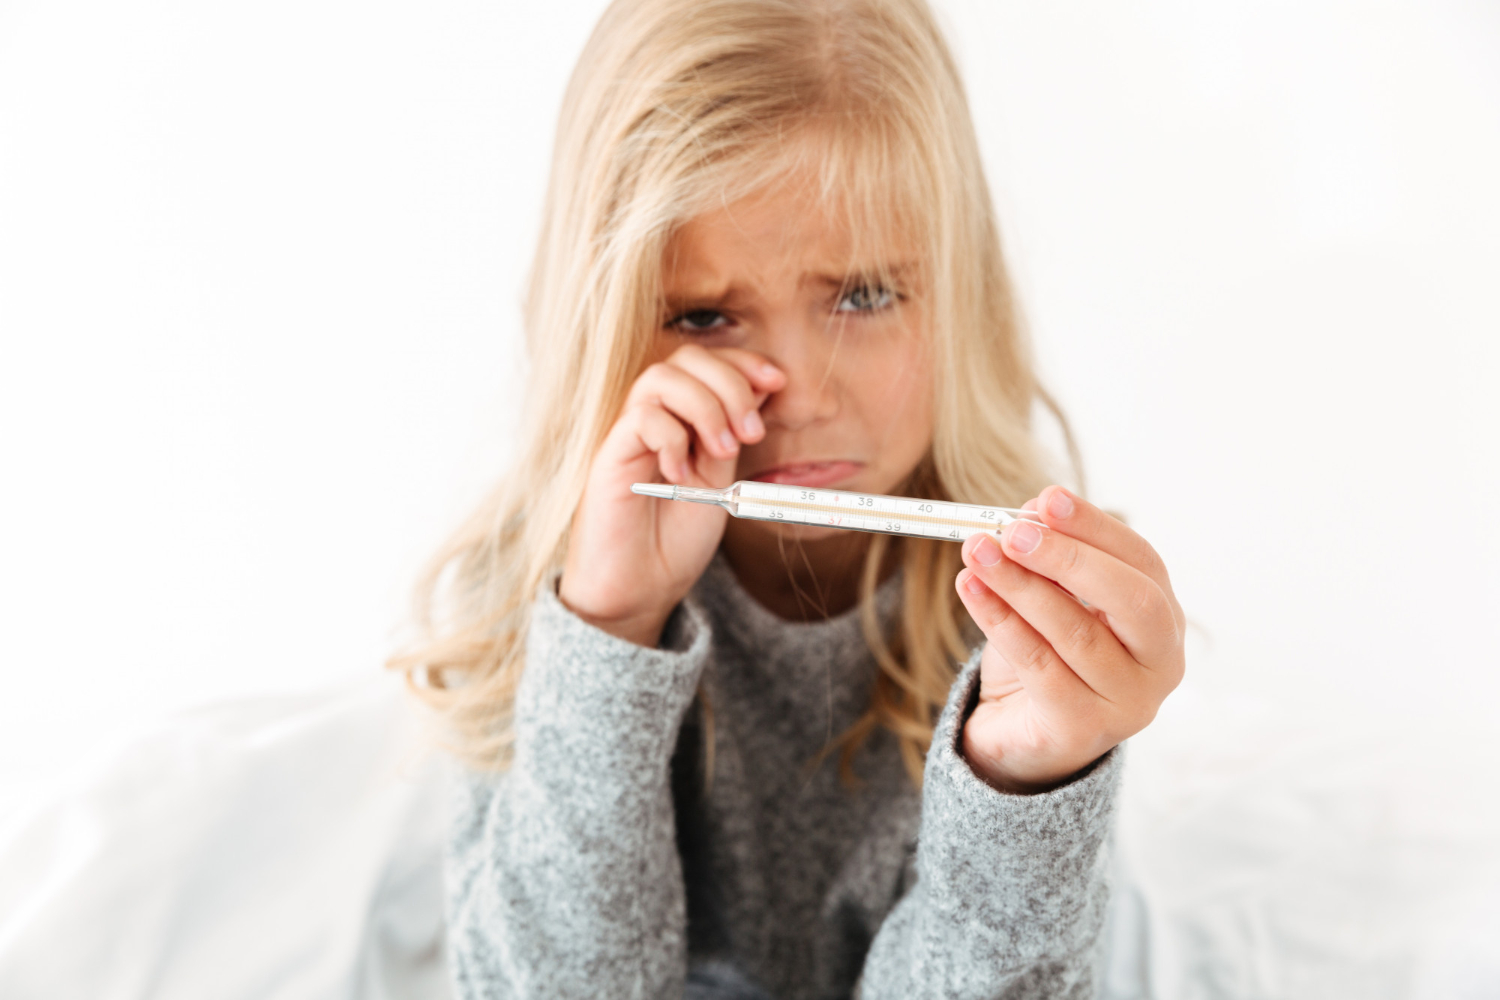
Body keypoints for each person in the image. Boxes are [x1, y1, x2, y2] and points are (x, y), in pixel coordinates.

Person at [394, 0, 1186, 996]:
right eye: (704, 314)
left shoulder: (1015, 616)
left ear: (959, 294)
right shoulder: (538, 577)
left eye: (861, 295)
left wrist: (1021, 776)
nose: (803, 393)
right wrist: (607, 630)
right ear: (597, 320)